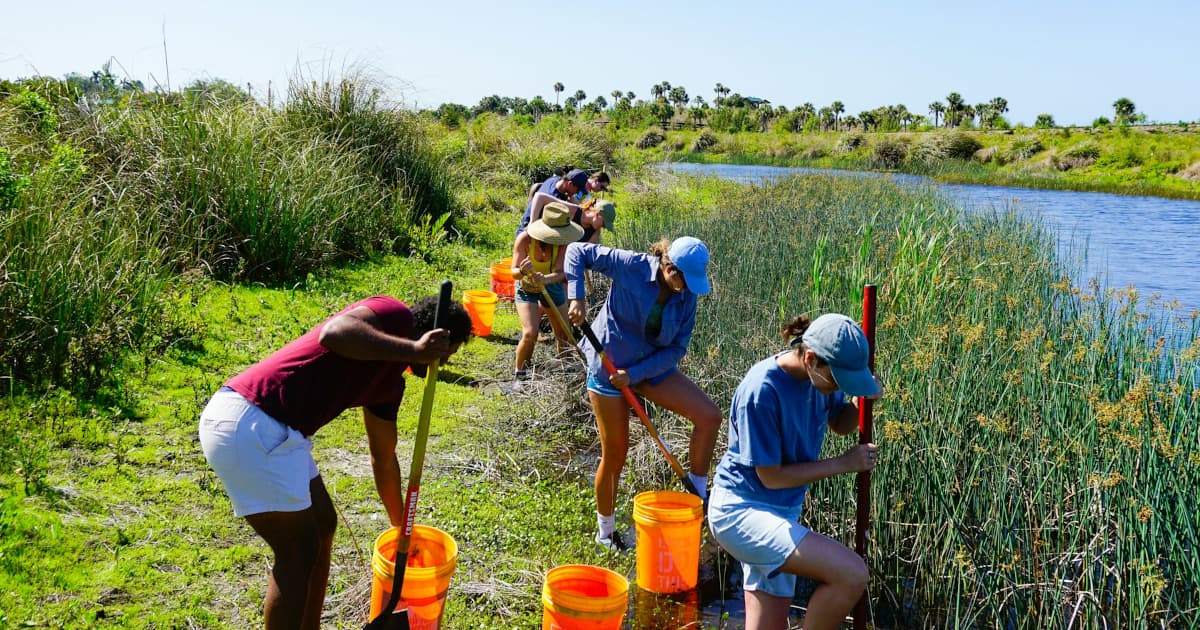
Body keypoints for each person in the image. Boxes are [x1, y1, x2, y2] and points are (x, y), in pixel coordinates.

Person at [197, 294, 472, 630]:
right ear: (434, 338)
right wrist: (414, 350)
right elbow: (335, 332)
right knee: (297, 552)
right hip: (253, 421)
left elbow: (382, 459)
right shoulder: (394, 315)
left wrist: (404, 530)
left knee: (323, 524)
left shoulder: (388, 386)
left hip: (279, 432)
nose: (440, 366)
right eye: (446, 354)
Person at [707, 314, 883, 630]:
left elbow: (840, 424)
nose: (839, 388)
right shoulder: (762, 390)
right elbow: (770, 477)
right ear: (811, 358)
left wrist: (861, 402)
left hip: (782, 512)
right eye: (838, 380)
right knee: (851, 574)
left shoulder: (819, 380)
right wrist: (843, 464)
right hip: (740, 512)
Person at [565, 236, 721, 551]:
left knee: (709, 416)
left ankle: (697, 496)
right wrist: (576, 297)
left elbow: (677, 347)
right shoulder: (632, 266)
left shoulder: (687, 296)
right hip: (609, 366)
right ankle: (605, 533)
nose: (686, 289)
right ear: (668, 267)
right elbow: (576, 251)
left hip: (647, 368)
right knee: (616, 454)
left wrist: (635, 375)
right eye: (683, 281)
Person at [511, 202, 584, 378]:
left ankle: (566, 372)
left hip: (551, 286)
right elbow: (513, 272)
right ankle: (520, 376)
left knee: (564, 334)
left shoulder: (563, 245)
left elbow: (560, 273)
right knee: (530, 333)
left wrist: (545, 279)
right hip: (526, 287)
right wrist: (522, 271)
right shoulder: (525, 240)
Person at [516, 168, 590, 237]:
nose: (576, 193)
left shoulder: (555, 180)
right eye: (577, 190)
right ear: (570, 184)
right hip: (528, 233)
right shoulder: (553, 199)